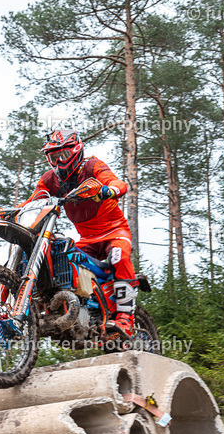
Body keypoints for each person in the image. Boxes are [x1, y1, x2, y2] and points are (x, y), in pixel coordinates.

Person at [16, 129, 137, 339]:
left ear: (76, 151)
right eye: (53, 157)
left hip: (114, 231)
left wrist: (109, 190)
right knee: (62, 259)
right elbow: (33, 200)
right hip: (87, 239)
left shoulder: (92, 166)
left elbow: (118, 183)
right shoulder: (49, 180)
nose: (58, 162)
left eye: (62, 155)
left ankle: (126, 318)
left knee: (119, 256)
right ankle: (68, 310)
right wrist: (13, 211)